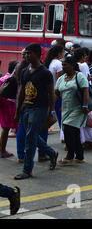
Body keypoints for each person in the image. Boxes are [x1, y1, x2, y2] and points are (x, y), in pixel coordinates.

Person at [14, 43, 59, 180]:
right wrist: (17, 110)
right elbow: (21, 91)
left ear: (38, 55)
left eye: (29, 53)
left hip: (39, 108)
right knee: (32, 136)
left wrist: (51, 111)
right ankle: (51, 153)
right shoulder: (25, 71)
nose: (27, 56)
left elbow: (51, 93)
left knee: (30, 138)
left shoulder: (45, 73)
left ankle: (27, 170)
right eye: (26, 53)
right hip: (26, 108)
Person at [55, 56, 89, 164]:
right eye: (62, 65)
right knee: (73, 132)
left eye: (65, 64)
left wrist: (84, 105)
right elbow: (56, 92)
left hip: (78, 108)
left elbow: (85, 90)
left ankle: (70, 155)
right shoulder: (61, 78)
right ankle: (79, 156)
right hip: (65, 109)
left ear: (72, 65)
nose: (63, 67)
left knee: (69, 130)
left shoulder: (79, 76)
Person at [0, 61, 19, 158]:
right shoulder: (11, 79)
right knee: (6, 128)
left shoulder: (3, 77)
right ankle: (2, 151)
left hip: (4, 104)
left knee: (5, 127)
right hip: (8, 104)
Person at [44, 45, 64, 130]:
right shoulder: (59, 64)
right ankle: (64, 134)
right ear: (59, 53)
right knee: (60, 114)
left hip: (50, 92)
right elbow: (60, 80)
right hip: (57, 92)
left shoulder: (50, 62)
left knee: (54, 112)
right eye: (63, 52)